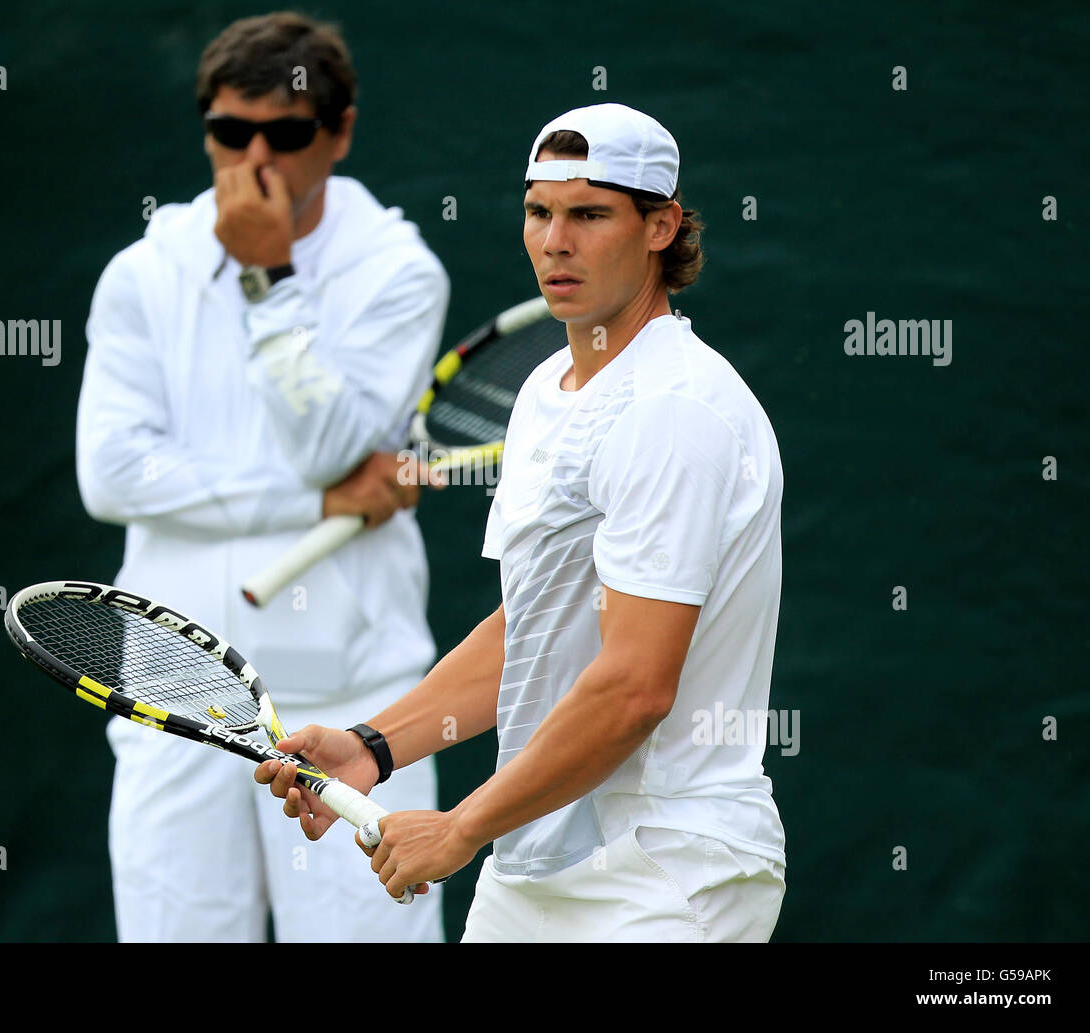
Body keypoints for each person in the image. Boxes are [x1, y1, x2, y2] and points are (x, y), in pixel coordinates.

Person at [257, 103, 787, 942]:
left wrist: (462, 825)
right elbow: (531, 625)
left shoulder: (677, 410)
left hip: (670, 865)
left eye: (589, 215)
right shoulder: (543, 393)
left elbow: (635, 687)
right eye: (539, 212)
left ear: (661, 227)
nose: (554, 241)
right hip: (535, 864)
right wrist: (374, 745)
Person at [76, 11, 447, 943]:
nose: (254, 158)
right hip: (172, 690)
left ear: (341, 131)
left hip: (353, 690)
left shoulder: (401, 272)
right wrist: (315, 502)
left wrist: (268, 276)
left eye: (284, 134)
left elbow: (326, 440)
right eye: (228, 132)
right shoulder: (141, 273)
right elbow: (113, 473)